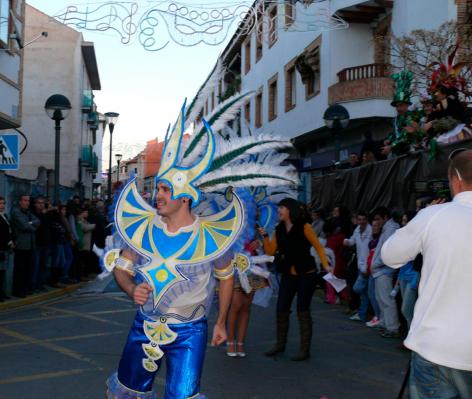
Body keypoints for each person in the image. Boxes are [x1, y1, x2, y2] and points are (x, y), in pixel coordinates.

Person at [104, 96, 296, 398]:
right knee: (130, 392)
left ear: (184, 197)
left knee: (182, 395)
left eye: (165, 190)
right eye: (158, 190)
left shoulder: (211, 236)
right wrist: (130, 289)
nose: (158, 196)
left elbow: (226, 278)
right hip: (145, 325)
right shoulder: (143, 228)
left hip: (190, 331)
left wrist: (220, 322)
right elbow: (122, 268)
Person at [381, 148, 472, 398]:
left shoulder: (434, 216)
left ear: (455, 179)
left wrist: (420, 221)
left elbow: (389, 255)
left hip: (438, 349)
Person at [261, 198, 332, 361]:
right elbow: (271, 251)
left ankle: (304, 350)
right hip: (288, 274)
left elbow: (318, 247)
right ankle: (280, 344)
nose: (278, 210)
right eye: (279, 208)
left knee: (302, 309)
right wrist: (265, 236)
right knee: (281, 308)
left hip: (307, 273)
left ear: (290, 210)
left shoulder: (304, 226)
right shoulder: (278, 229)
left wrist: (326, 265)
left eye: (282, 207)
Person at [370, 206, 401, 338]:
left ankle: (392, 327)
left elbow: (387, 251)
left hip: (384, 270)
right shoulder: (387, 229)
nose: (376, 222)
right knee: (381, 299)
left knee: (386, 300)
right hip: (381, 269)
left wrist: (375, 264)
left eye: (378, 219)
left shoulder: (391, 229)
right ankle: (385, 323)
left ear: (385, 217)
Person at [343, 211, 372, 322]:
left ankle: (369, 314)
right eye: (359, 219)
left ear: (366, 219)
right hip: (360, 265)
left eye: (363, 219)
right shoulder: (357, 229)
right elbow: (352, 241)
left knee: (358, 288)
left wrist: (367, 266)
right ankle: (363, 314)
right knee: (363, 293)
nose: (361, 221)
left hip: (368, 265)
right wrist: (346, 241)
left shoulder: (370, 230)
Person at [10, 194, 39, 298]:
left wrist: (30, 223)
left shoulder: (28, 212)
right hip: (21, 245)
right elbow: (24, 225)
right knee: (20, 269)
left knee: (28, 269)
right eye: (25, 200)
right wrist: (32, 226)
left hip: (30, 244)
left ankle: (25, 289)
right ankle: (18, 291)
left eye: (28, 201)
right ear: (20, 201)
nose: (27, 202)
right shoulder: (16, 212)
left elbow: (38, 221)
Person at [31, 196, 49, 292]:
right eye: (39, 203)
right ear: (35, 204)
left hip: (45, 243)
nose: (41, 204)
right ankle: (34, 285)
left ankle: (41, 284)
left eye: (42, 203)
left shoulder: (45, 214)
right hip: (37, 243)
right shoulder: (33, 214)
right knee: (36, 266)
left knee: (43, 265)